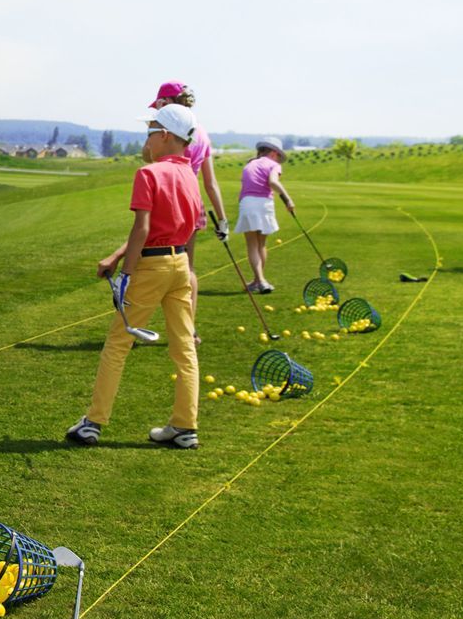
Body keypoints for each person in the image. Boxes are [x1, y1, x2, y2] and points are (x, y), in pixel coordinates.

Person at [66, 102, 204, 450]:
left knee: (117, 344)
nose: (147, 140)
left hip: (151, 267)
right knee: (184, 349)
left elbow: (142, 228)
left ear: (165, 135)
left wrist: (126, 274)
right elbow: (189, 228)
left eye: (150, 132)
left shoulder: (149, 174)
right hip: (180, 265)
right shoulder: (190, 174)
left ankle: (93, 422)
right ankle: (185, 427)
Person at [146, 82, 227, 340]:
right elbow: (210, 182)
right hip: (192, 201)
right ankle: (188, 330)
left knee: (149, 262)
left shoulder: (167, 131)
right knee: (186, 267)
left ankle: (136, 323)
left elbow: (148, 157)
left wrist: (152, 131)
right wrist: (222, 220)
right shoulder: (200, 132)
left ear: (166, 102)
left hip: (166, 197)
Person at [233, 138, 296, 292]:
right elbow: (273, 182)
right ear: (274, 153)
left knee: (252, 245)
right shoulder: (274, 165)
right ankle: (261, 280)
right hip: (264, 204)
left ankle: (257, 281)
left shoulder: (250, 164)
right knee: (261, 245)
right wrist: (288, 199)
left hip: (247, 203)